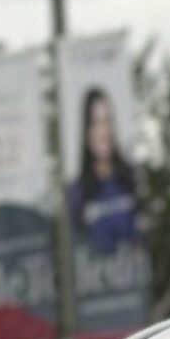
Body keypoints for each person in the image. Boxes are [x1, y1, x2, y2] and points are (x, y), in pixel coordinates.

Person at [67, 86, 140, 256]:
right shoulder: (77, 192)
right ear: (86, 131)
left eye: (107, 121)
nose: (103, 131)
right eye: (95, 123)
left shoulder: (130, 179)